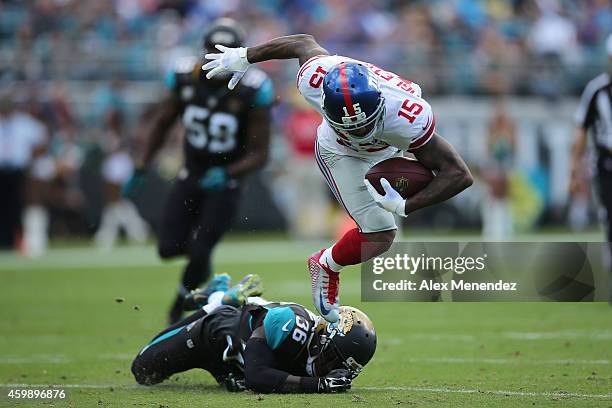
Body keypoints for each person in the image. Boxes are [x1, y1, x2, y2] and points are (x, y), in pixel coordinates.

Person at [203, 34, 472, 322]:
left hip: (386, 150)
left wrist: (406, 205)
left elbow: (459, 174)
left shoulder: (407, 115)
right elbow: (302, 43)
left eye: (363, 125)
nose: (357, 132)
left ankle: (326, 262)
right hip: (337, 150)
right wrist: (245, 56)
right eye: (351, 127)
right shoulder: (314, 79)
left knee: (382, 239)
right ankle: (326, 266)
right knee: (380, 233)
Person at [123, 19, 274, 323]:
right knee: (167, 248)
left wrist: (229, 173)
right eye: (212, 50)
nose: (217, 56)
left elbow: (261, 153)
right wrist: (142, 165)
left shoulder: (251, 88)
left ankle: (180, 306)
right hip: (191, 172)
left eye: (226, 50)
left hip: (227, 181)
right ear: (203, 50)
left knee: (202, 248)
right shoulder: (184, 78)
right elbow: (163, 122)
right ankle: (203, 268)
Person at [131, 274, 376, 394]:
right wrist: (319, 385)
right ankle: (218, 301)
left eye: (342, 367)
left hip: (236, 357)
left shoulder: (312, 344)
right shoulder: (291, 325)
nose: (332, 369)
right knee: (143, 371)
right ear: (324, 336)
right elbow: (257, 377)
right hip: (214, 334)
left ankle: (236, 299)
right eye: (333, 358)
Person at [570, 33, 612, 301]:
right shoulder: (597, 90)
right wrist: (574, 170)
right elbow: (581, 131)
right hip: (607, 165)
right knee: (610, 219)